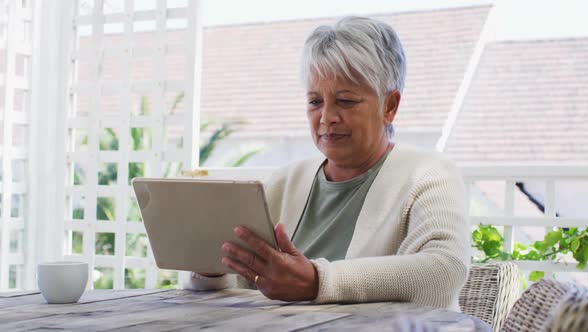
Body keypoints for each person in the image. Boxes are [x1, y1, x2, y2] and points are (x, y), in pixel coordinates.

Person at [182, 16, 470, 311]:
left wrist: (317, 282)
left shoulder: (429, 175)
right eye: (315, 102)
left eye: (345, 101)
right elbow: (243, 287)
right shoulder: (283, 183)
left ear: (389, 106)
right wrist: (213, 272)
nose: (327, 117)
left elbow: (443, 272)